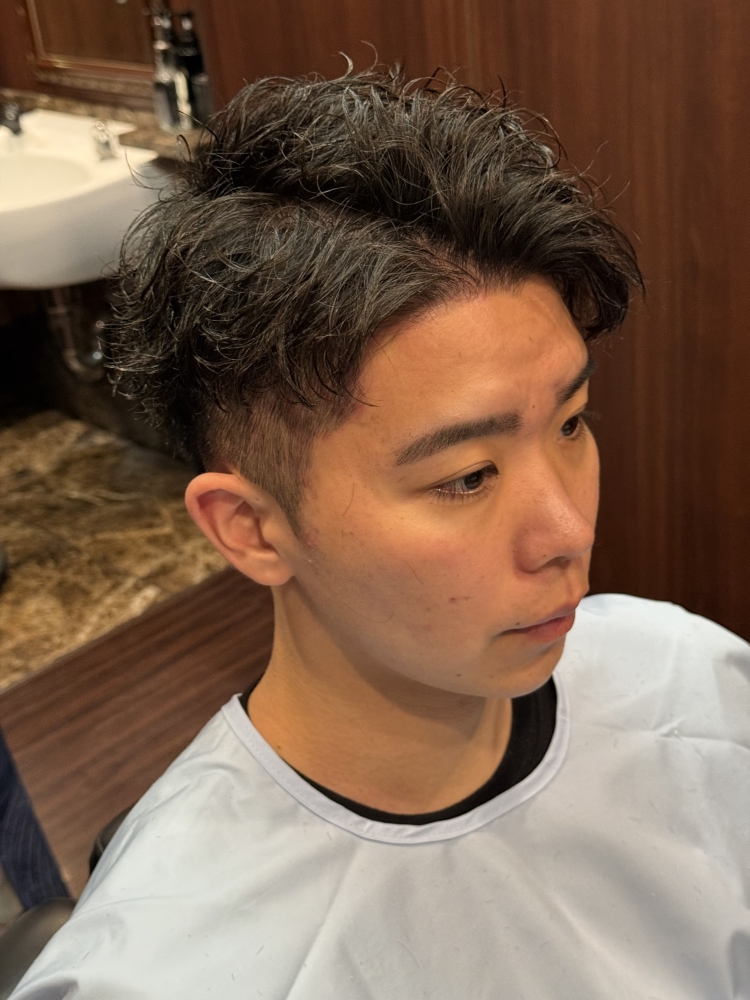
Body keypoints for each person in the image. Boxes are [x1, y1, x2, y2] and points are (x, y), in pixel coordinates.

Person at [11, 67, 749, 999]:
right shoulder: (160, 972)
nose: (567, 534)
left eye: (571, 424)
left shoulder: (693, 676)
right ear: (250, 529)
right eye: (466, 476)